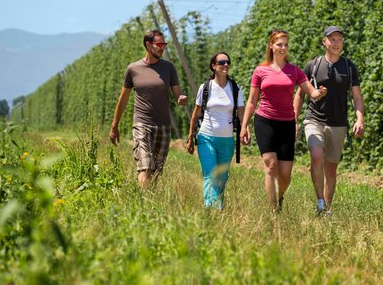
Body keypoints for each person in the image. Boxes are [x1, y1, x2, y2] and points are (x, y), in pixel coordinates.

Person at [239, 29, 327, 212]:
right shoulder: (260, 71)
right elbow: (252, 101)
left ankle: (278, 198)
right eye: (279, 44)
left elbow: (311, 92)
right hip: (265, 121)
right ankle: (273, 211)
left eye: (286, 44)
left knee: (286, 175)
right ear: (271, 46)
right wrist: (244, 125)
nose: (283, 48)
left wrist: (320, 93)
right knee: (270, 165)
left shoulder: (294, 70)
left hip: (286, 123)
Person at [293, 26, 364, 215]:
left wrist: (359, 119)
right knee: (316, 156)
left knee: (331, 169)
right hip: (314, 119)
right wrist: (294, 120)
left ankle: (326, 210)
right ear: (324, 41)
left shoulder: (349, 67)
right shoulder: (313, 65)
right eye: (332, 39)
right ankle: (320, 201)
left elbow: (357, 97)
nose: (336, 43)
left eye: (339, 39)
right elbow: (300, 94)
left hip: (338, 123)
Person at [110, 29, 188, 188]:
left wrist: (181, 99)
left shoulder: (168, 68)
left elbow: (177, 94)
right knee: (145, 166)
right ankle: (142, 206)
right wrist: (114, 126)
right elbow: (123, 98)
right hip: (142, 124)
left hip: (163, 125)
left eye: (164, 44)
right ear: (148, 45)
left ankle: (150, 205)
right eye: (159, 44)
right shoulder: (133, 69)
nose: (162, 48)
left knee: (156, 171)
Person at [186, 52, 244, 209]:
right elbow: (196, 112)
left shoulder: (235, 88)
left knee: (221, 177)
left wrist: (245, 129)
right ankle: (212, 210)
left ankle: (217, 206)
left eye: (227, 62)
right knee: (210, 175)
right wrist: (190, 136)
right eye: (221, 62)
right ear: (214, 66)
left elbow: (241, 112)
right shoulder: (205, 88)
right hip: (206, 137)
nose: (225, 65)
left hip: (227, 140)